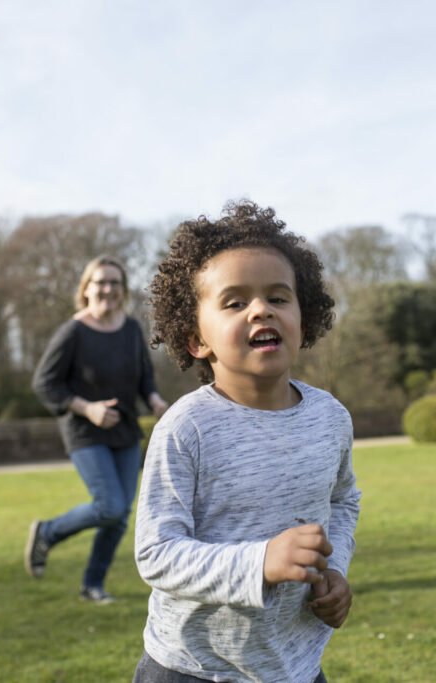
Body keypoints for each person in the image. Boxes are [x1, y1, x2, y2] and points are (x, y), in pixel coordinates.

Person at [133, 201, 362, 682]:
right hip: (192, 668)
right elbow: (156, 552)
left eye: (279, 298)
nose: (261, 309)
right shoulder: (186, 427)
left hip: (295, 665)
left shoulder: (330, 417)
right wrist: (259, 562)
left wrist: (335, 569)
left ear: (305, 314)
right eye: (235, 302)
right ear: (197, 338)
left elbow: (342, 501)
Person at [26, 255, 169, 604]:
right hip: (85, 433)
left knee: (118, 518)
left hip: (124, 431)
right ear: (86, 288)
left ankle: (92, 586)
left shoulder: (132, 328)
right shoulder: (73, 331)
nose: (107, 289)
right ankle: (47, 532)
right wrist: (87, 408)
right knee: (109, 506)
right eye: (100, 282)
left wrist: (153, 399)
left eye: (114, 283)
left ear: (122, 290)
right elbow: (45, 384)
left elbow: (143, 376)